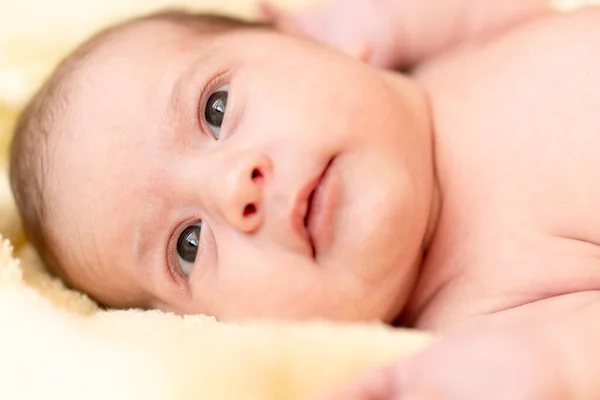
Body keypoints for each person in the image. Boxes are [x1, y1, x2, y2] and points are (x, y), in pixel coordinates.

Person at [10, 0, 600, 397]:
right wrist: (545, 368)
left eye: (214, 110)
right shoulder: (489, 319)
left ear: (300, 40)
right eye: (186, 246)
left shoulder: (449, 45)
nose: (232, 187)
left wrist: (373, 19)